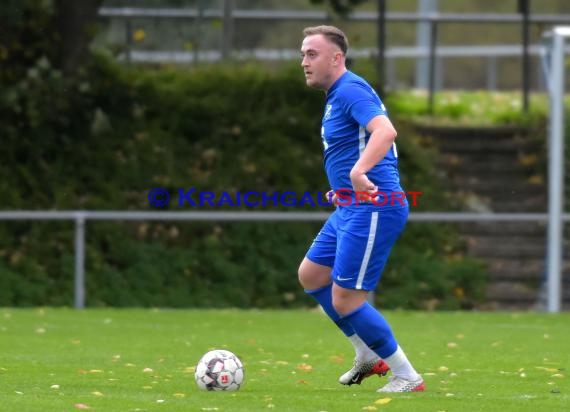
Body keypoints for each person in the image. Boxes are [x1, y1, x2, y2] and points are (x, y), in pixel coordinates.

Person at [298, 25, 425, 393]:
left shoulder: (350, 88)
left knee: (347, 298)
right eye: (303, 55)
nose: (304, 62)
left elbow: (385, 131)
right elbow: (357, 143)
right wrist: (343, 187)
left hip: (375, 205)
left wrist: (358, 173)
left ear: (337, 58)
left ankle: (407, 375)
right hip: (353, 204)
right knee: (312, 275)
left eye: (312, 54)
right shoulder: (337, 95)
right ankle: (367, 353)